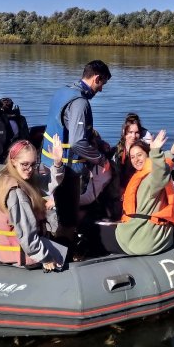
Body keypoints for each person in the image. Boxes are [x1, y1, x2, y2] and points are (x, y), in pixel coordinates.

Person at [40, 60, 112, 242]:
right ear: (96, 78)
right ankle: (63, 257)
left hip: (50, 163)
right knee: (69, 221)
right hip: (67, 169)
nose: (101, 89)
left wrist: (96, 141)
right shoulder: (80, 102)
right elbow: (77, 142)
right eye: (102, 84)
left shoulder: (63, 92)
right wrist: (100, 159)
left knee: (62, 210)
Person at [0, 136, 66, 270]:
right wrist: (45, 257)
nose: (29, 169)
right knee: (67, 257)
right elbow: (26, 234)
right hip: (25, 256)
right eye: (25, 164)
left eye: (33, 164)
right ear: (13, 161)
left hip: (30, 249)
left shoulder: (19, 178)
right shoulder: (16, 191)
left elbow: (49, 183)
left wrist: (57, 163)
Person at [112, 130, 174, 255]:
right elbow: (171, 154)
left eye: (139, 155)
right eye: (132, 157)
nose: (136, 160)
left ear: (148, 156)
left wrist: (155, 151)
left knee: (95, 233)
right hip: (143, 232)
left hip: (144, 238)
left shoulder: (152, 178)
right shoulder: (142, 175)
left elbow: (160, 174)